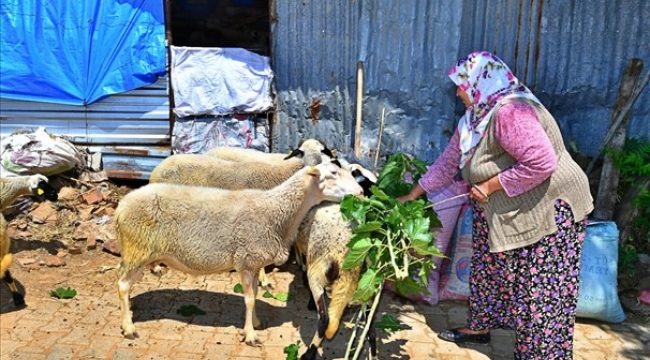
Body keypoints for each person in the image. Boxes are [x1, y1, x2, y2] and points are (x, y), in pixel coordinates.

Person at [398, 51, 593, 359]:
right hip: (503, 209)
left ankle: (540, 354)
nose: (458, 92)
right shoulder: (476, 116)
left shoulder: (510, 113)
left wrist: (488, 186)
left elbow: (542, 162)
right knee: (489, 268)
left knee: (538, 292)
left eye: (461, 85)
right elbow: (448, 164)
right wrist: (412, 194)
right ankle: (480, 327)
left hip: (547, 210)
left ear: (480, 83)